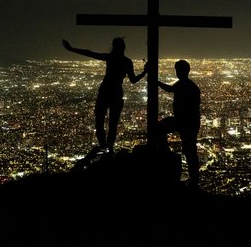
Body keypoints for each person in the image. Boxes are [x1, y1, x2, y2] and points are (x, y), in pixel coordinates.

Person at [62, 37, 147, 154]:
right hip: (116, 92)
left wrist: (72, 49)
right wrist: (144, 72)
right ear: (124, 47)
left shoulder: (110, 57)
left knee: (99, 120)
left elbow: (90, 53)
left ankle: (103, 146)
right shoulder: (127, 61)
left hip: (105, 91)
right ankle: (110, 148)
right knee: (113, 122)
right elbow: (133, 80)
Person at [157, 59, 201, 189]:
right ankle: (194, 180)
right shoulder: (189, 85)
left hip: (185, 121)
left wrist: (156, 82)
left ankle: (166, 154)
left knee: (189, 149)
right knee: (190, 150)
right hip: (189, 122)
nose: (177, 73)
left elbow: (169, 89)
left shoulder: (184, 85)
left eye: (178, 70)